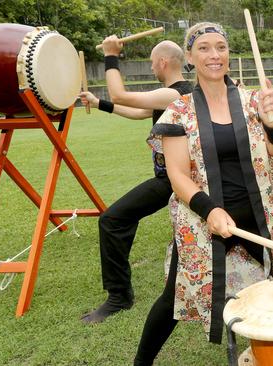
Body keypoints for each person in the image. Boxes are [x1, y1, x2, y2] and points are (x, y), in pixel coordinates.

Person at [137, 22, 273, 365]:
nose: (214, 55)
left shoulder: (252, 101)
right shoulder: (179, 111)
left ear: (229, 55)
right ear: (189, 56)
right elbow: (176, 174)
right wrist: (210, 210)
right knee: (174, 297)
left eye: (220, 47)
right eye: (203, 48)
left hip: (261, 215)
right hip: (205, 221)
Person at [78, 39, 193, 324]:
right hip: (174, 178)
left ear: (164, 62)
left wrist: (110, 55)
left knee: (112, 219)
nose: (152, 67)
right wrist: (98, 102)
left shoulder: (175, 94)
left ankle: (119, 297)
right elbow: (137, 111)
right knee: (115, 219)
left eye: (154, 62)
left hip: (175, 180)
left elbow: (120, 95)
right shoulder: (176, 93)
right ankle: (119, 294)